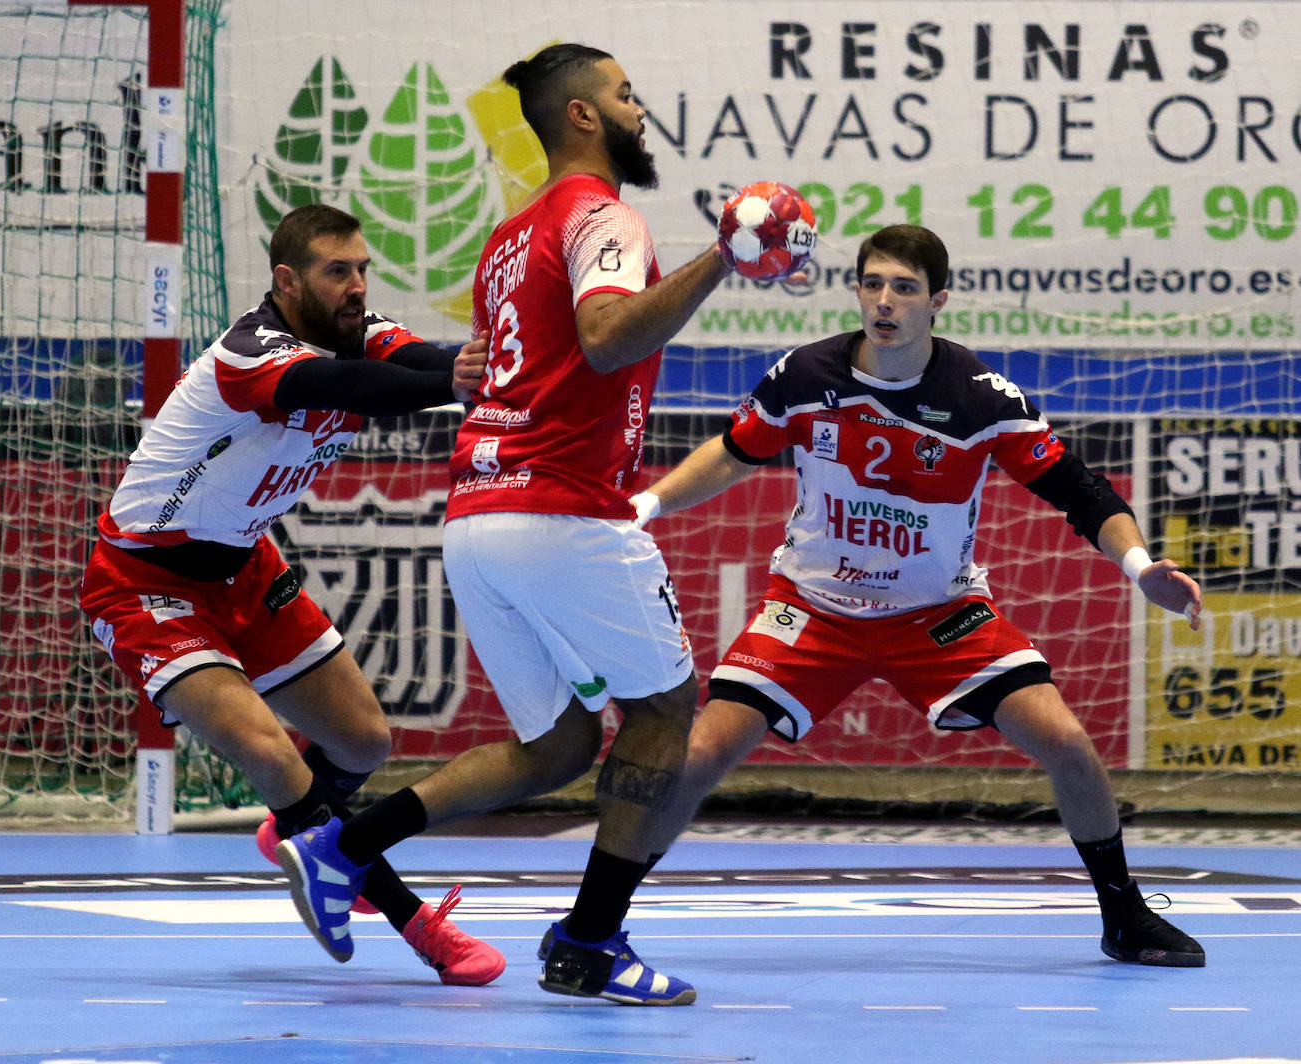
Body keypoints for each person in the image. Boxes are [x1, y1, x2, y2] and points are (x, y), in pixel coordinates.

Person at [276, 42, 737, 1006]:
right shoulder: (602, 215)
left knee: (560, 745)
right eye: (622, 93)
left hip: (478, 515)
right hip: (562, 507)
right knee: (663, 711)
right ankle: (591, 944)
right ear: (581, 116)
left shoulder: (509, 236)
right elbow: (610, 339)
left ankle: (344, 842)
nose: (637, 107)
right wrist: (724, 257)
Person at [631, 223, 1206, 968]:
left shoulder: (979, 397)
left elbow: (1080, 491)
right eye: (872, 283)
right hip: (814, 608)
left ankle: (1123, 915)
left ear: (937, 301)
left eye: (903, 288)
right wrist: (646, 507)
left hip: (939, 614)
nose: (884, 301)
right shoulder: (806, 376)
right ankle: (602, 918)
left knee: (1065, 741)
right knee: (701, 751)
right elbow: (736, 453)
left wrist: (1138, 567)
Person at [79, 203, 505, 986]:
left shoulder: (361, 329)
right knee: (275, 756)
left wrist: (470, 367)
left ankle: (297, 829)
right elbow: (341, 384)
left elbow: (411, 358)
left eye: (363, 269)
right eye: (337, 272)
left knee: (364, 742)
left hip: (245, 566)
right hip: (147, 580)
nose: (356, 286)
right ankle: (420, 929)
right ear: (288, 281)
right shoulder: (251, 353)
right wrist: (451, 381)